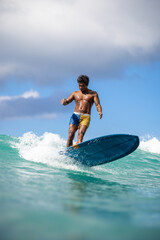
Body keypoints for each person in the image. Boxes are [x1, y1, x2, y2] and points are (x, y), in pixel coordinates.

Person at [61, 75, 103, 147]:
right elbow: (67, 101)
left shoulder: (93, 94)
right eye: (79, 85)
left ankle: (77, 151)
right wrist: (64, 102)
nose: (80, 87)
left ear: (87, 85)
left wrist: (99, 111)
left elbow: (97, 104)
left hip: (85, 117)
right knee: (70, 135)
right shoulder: (75, 93)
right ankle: (68, 152)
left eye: (82, 86)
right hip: (75, 116)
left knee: (80, 137)